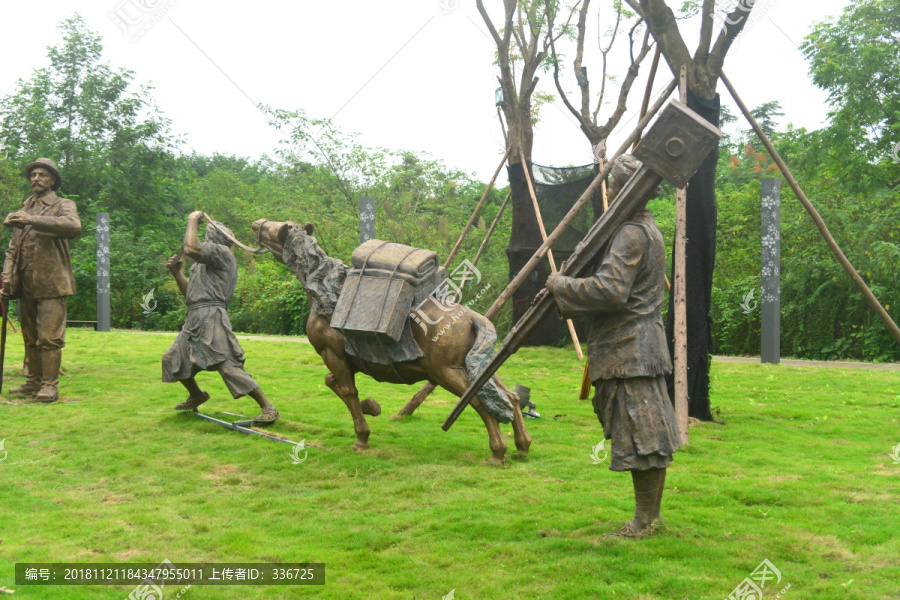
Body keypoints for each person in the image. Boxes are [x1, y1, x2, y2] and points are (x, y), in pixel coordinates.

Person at [546, 155, 681, 538]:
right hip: (636, 349)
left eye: (611, 186)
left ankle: (644, 520)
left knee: (643, 432)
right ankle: (649, 518)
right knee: (646, 431)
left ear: (625, 190)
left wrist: (560, 285)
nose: (607, 192)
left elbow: (611, 290)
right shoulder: (645, 228)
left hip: (630, 350)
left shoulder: (631, 234)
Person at [162, 211, 279, 424]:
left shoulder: (221, 252)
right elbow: (191, 295)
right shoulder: (203, 262)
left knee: (227, 365)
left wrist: (191, 221)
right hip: (194, 317)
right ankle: (197, 395)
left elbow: (190, 248)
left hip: (211, 318)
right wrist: (177, 273)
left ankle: (268, 407)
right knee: (173, 359)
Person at [1, 158, 82, 403]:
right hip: (24, 281)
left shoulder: (62, 204)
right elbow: (13, 249)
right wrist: (6, 277)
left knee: (49, 336)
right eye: (33, 174)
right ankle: (33, 381)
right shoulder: (25, 207)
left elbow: (73, 225)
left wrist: (31, 220)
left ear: (53, 180)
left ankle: (49, 385)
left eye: (42, 174)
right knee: (29, 334)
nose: (36, 178)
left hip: (51, 282)